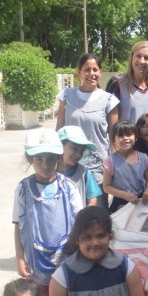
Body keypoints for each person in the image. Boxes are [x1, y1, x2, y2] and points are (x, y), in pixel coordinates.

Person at [13, 128, 82, 296]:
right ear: (30, 159)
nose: (45, 165)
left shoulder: (68, 187)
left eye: (51, 159)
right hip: (37, 259)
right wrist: (20, 257)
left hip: (67, 255)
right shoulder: (23, 189)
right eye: (39, 159)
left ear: (59, 159)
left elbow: (80, 221)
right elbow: (17, 225)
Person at [56, 53, 119, 209]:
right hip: (68, 165)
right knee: (67, 211)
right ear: (79, 72)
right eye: (87, 69)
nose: (91, 74)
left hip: (97, 168)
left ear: (101, 72)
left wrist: (114, 167)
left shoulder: (109, 100)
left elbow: (114, 138)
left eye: (95, 69)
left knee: (97, 216)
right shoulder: (66, 96)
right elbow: (58, 129)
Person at [103, 120, 148, 214]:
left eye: (129, 134)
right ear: (114, 140)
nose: (125, 138)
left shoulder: (143, 158)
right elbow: (106, 187)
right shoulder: (110, 161)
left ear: (136, 137)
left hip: (141, 201)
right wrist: (125, 195)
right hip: (120, 204)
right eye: (121, 136)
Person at [106, 41, 148, 122]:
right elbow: (109, 122)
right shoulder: (117, 83)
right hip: (125, 134)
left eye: (147, 58)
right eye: (138, 56)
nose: (142, 61)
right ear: (132, 58)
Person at [57, 125, 102, 207]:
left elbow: (92, 201)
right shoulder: (49, 171)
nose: (78, 154)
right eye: (74, 149)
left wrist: (83, 217)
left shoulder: (84, 173)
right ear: (60, 146)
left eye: (81, 151)